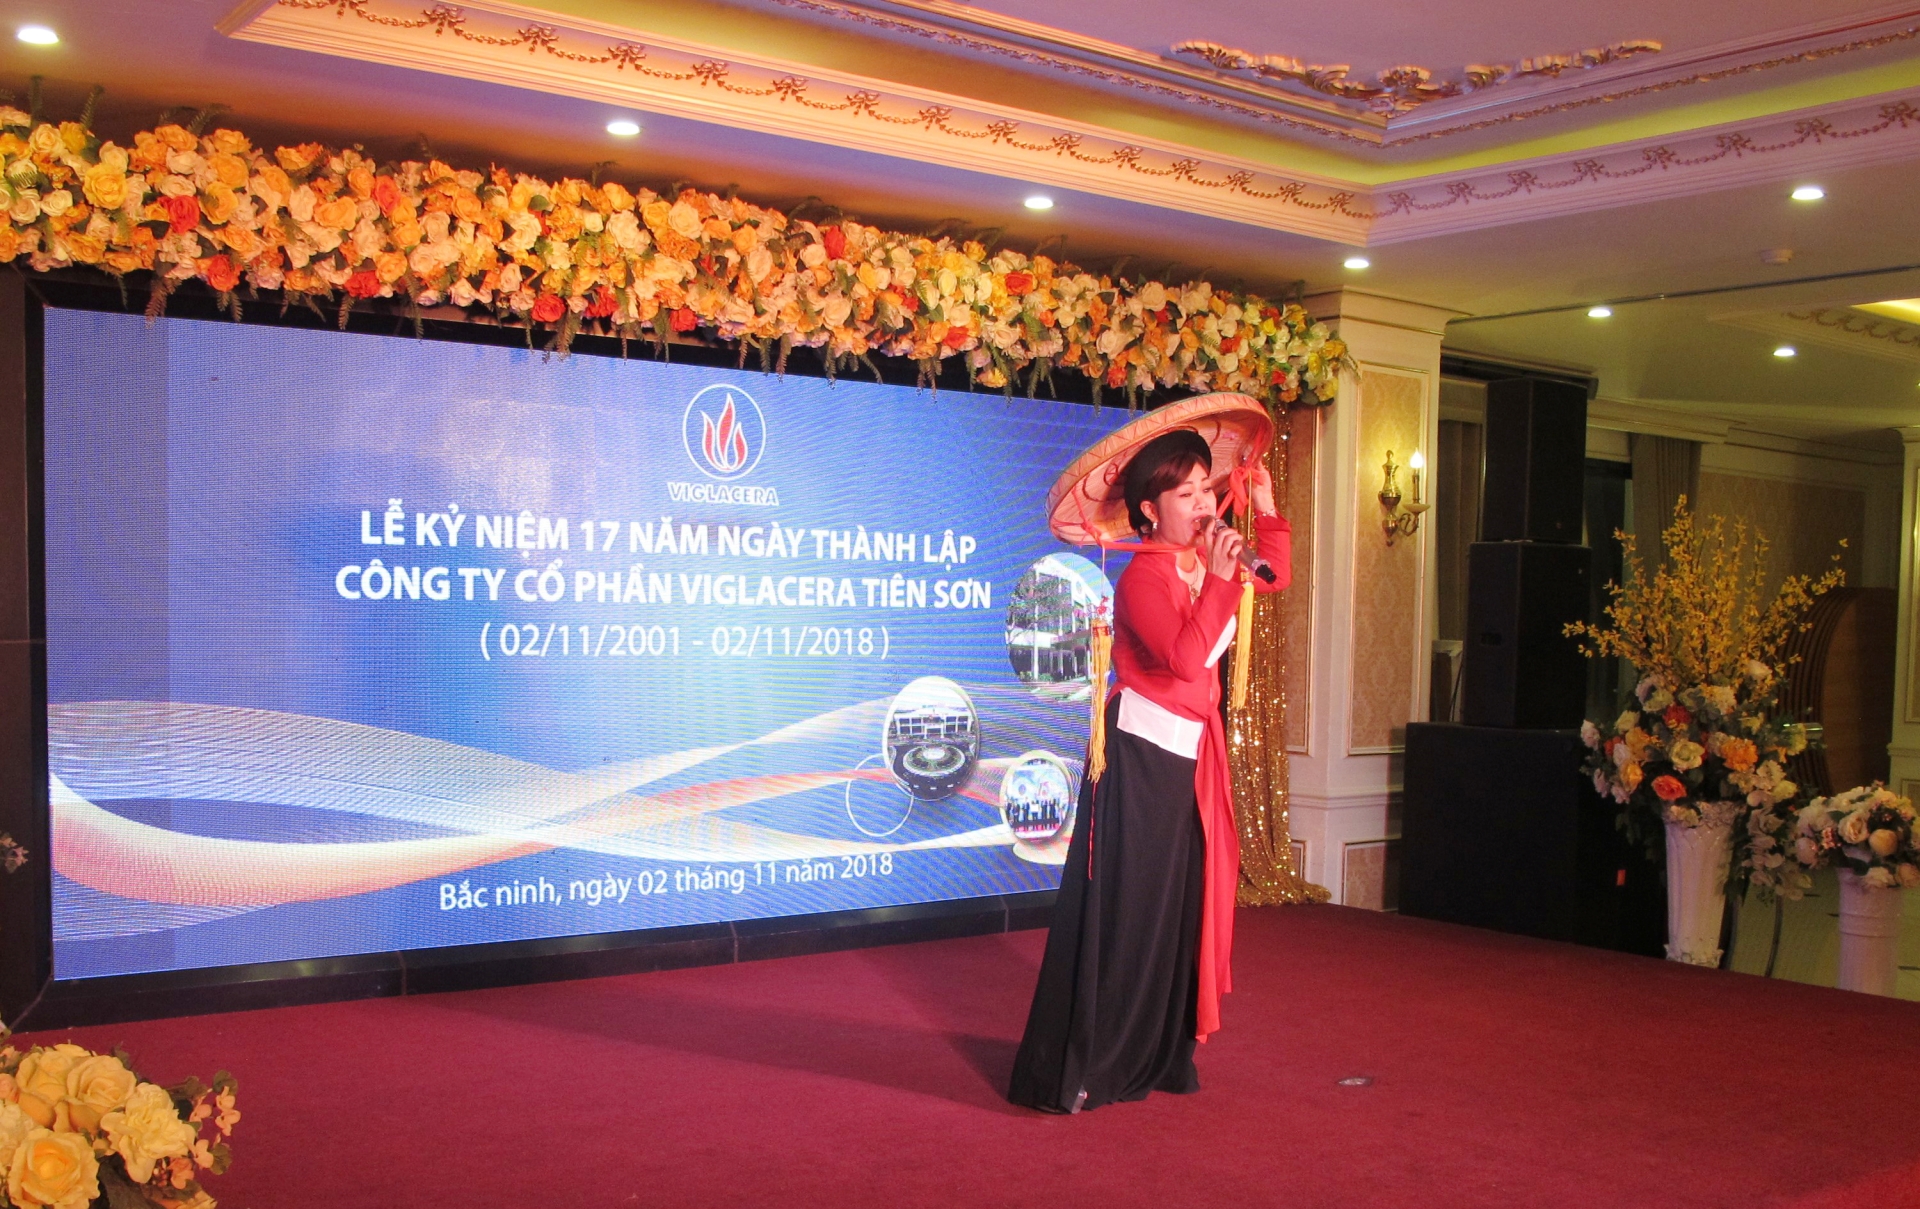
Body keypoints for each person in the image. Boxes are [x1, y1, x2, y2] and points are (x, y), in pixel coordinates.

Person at [1007, 427, 1290, 1113]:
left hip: (1192, 759)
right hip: (1139, 763)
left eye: (1205, 489)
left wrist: (1265, 509)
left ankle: (1158, 1051)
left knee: (1177, 916)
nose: (1203, 504)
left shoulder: (1205, 561)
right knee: (1130, 917)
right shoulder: (1145, 577)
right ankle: (1092, 1063)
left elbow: (1272, 576)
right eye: (1184, 494)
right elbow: (1186, 661)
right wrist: (1219, 577)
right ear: (1148, 511)